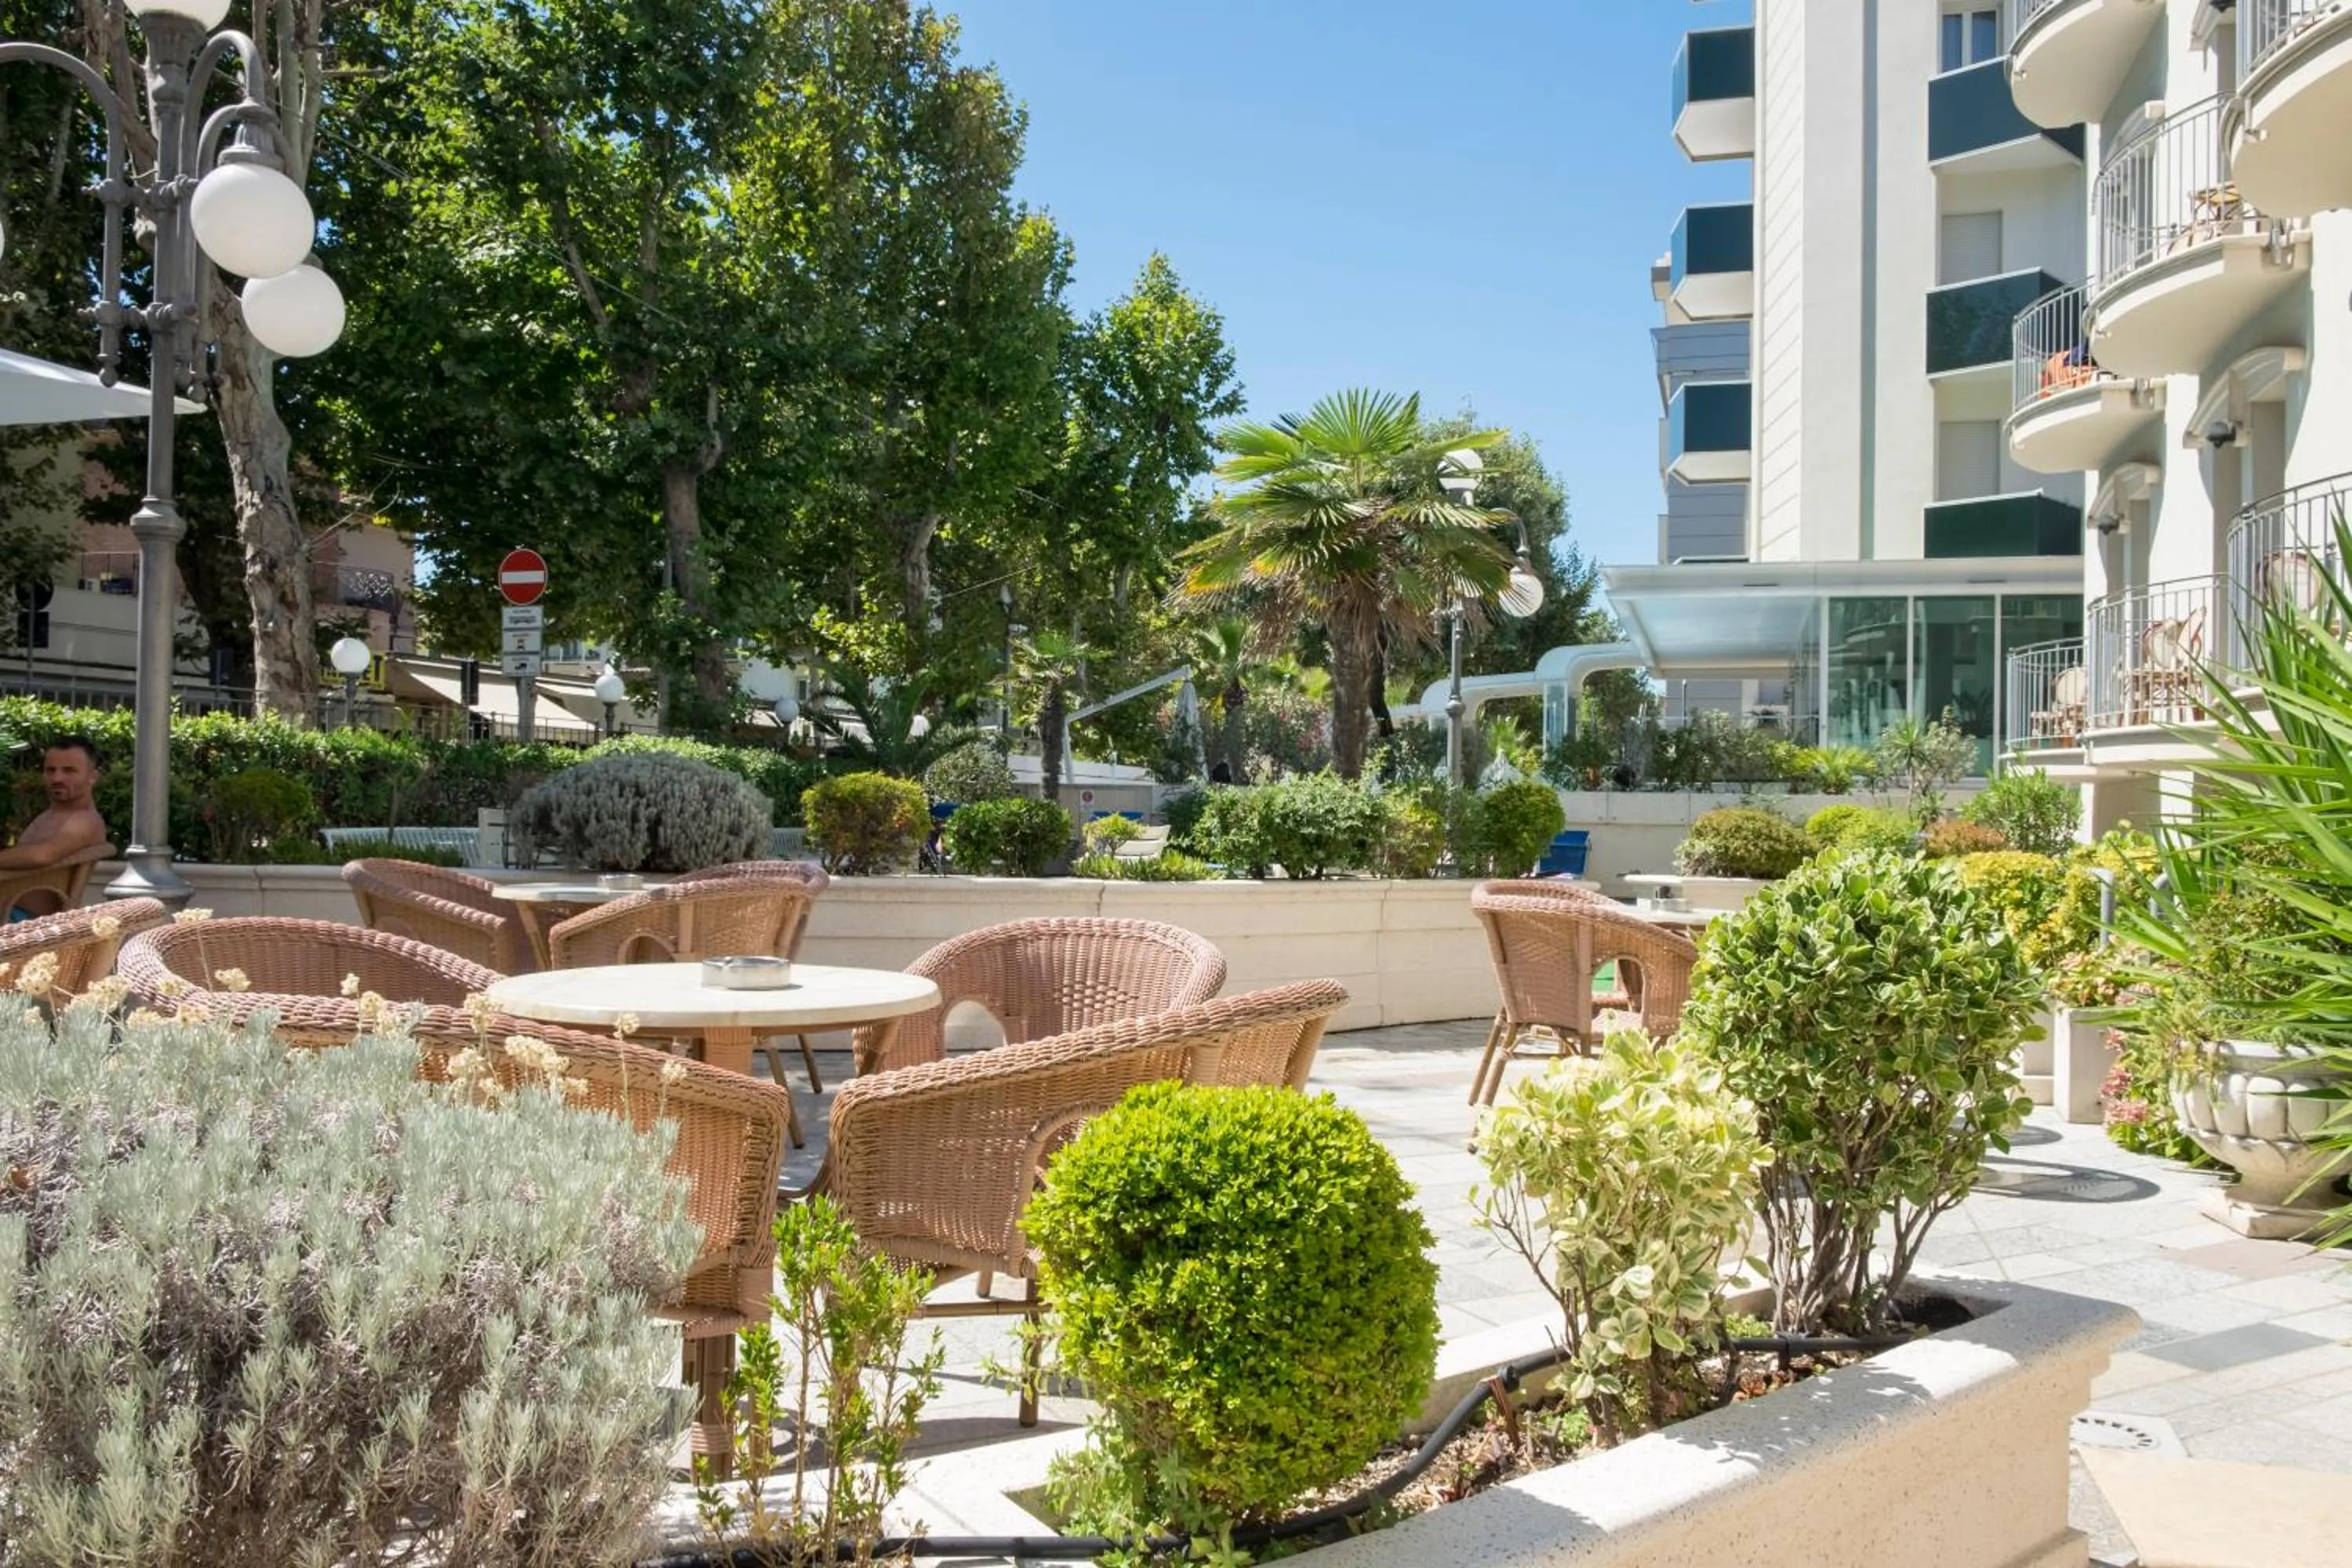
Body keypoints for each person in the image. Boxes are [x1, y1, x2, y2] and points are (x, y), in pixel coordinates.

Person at [2, 737, 110, 918]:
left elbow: (41, 856)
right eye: (50, 770)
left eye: (69, 771)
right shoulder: (50, 816)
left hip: (23, 924)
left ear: (92, 777)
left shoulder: (84, 821)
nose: (57, 778)